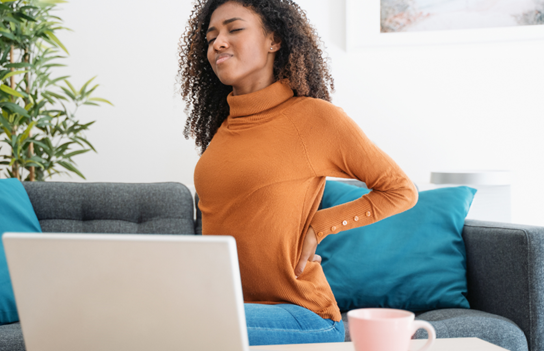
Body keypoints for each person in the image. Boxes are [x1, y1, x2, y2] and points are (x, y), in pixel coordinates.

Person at [177, 0, 418, 346]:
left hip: (303, 314)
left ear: (274, 40)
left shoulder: (315, 119)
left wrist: (320, 226)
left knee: (185, 324)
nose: (218, 42)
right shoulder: (224, 128)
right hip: (228, 306)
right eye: (211, 36)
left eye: (234, 29)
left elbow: (400, 190)